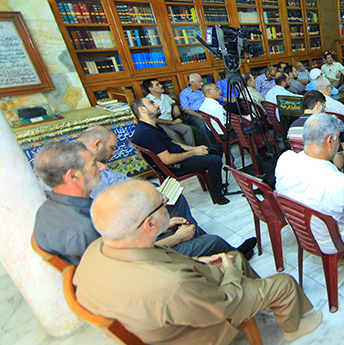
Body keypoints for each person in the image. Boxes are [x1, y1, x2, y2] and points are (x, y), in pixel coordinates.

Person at [73, 180, 322, 345]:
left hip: (165, 316)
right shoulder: (170, 284)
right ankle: (293, 327)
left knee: (233, 256)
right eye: (163, 204)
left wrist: (200, 263)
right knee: (284, 283)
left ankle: (259, 299)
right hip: (193, 334)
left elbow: (157, 261)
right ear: (149, 224)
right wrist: (230, 273)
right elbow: (222, 304)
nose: (168, 206)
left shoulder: (97, 250)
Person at [32, 141, 238, 266]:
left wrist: (165, 226)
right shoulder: (84, 227)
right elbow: (132, 261)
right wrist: (175, 239)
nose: (102, 167)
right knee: (214, 242)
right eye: (94, 164)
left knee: (181, 223)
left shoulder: (48, 209)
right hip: (143, 270)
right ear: (73, 176)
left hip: (125, 260)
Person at [76, 125, 256, 258]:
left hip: (138, 206)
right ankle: (218, 250)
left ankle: (194, 234)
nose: (113, 154)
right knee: (206, 234)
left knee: (176, 200)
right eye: (112, 148)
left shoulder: (91, 165)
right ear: (97, 144)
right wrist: (174, 237)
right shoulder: (86, 176)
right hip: (138, 217)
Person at [275, 113, 344, 265]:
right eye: (338, 138)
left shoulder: (284, 160)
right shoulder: (340, 183)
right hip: (332, 243)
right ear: (330, 141)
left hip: (302, 233)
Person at [129, 98, 229, 205]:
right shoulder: (146, 133)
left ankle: (214, 183)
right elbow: (167, 159)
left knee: (215, 149)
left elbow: (172, 143)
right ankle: (216, 195)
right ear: (142, 110)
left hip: (178, 156)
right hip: (175, 166)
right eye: (151, 103)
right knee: (214, 160)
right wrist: (194, 153)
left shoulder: (151, 127)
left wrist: (194, 148)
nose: (157, 105)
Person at [287, 91, 344, 171]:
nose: (325, 110)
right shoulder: (327, 125)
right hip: (326, 171)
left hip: (303, 170)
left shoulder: (292, 128)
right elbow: (339, 164)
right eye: (324, 106)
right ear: (319, 105)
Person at [143, 79, 194, 146]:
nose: (161, 86)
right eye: (157, 85)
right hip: (160, 125)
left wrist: (175, 106)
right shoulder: (148, 101)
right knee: (173, 135)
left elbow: (172, 102)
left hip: (171, 122)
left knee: (187, 129)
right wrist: (172, 122)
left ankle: (192, 148)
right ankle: (185, 150)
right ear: (150, 89)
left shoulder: (165, 96)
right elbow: (153, 119)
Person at [178, 73, 217, 149]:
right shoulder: (184, 93)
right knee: (203, 125)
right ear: (192, 82)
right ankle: (212, 146)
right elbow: (186, 110)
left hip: (207, 111)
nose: (202, 83)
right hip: (194, 114)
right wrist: (200, 116)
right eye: (199, 82)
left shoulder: (203, 91)